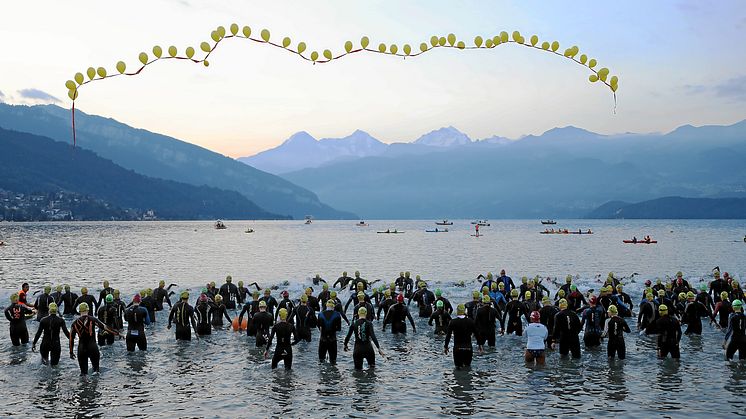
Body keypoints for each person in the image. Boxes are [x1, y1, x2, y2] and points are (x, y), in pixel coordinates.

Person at [69, 302, 119, 375]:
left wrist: (71, 352)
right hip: (92, 347)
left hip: (81, 349)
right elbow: (104, 327)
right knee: (96, 371)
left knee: (83, 374)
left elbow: (71, 339)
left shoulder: (74, 323)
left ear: (79, 311)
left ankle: (83, 386)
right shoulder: (92, 319)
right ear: (88, 310)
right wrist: (117, 333)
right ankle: (94, 385)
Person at [444, 304, 482, 368]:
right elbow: (477, 334)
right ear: (465, 311)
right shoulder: (470, 321)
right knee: (467, 368)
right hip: (468, 348)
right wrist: (480, 345)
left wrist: (446, 346)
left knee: (458, 369)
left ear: (457, 311)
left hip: (457, 349)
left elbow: (448, 336)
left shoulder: (453, 322)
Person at [317, 299, 342, 364]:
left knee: (321, 361)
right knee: (333, 362)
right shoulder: (337, 315)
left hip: (323, 339)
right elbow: (339, 329)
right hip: (332, 339)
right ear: (333, 306)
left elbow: (318, 326)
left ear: (326, 305)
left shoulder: (320, 314)